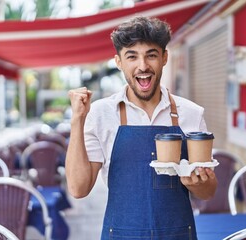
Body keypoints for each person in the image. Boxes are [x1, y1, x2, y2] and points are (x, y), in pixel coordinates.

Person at [66, 16, 217, 240]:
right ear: (118, 62)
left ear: (164, 57)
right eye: (132, 56)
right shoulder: (100, 114)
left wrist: (197, 182)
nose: (143, 66)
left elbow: (208, 192)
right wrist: (77, 120)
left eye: (151, 55)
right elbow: (79, 189)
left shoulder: (191, 113)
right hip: (120, 234)